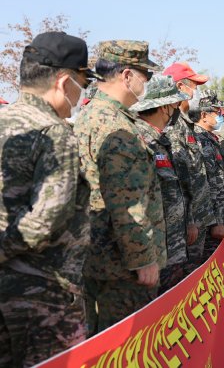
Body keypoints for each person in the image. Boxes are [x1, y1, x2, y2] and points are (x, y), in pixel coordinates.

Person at [0, 31, 93, 367]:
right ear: (64, 81)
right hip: (44, 292)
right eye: (83, 83)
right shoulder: (53, 132)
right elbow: (46, 220)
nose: (82, 94)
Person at [74, 40, 166, 336]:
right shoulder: (118, 127)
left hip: (95, 257)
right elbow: (127, 204)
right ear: (127, 75)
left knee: (100, 338)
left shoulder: (88, 115)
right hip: (122, 267)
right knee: (129, 341)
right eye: (146, 75)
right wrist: (144, 259)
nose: (148, 83)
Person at [130, 75, 193, 294]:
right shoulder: (140, 140)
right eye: (175, 103)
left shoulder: (161, 140)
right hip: (155, 253)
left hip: (173, 247)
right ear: (165, 107)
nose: (178, 108)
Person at [162, 62, 217, 270]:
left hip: (199, 219)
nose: (197, 92)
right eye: (194, 86)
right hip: (184, 223)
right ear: (179, 87)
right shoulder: (172, 125)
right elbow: (178, 176)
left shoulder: (186, 123)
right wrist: (190, 219)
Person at [191, 91, 224, 262]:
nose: (220, 116)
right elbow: (207, 184)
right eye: (217, 112)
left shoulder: (211, 138)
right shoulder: (198, 140)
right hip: (213, 222)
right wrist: (216, 221)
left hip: (223, 217)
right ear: (204, 115)